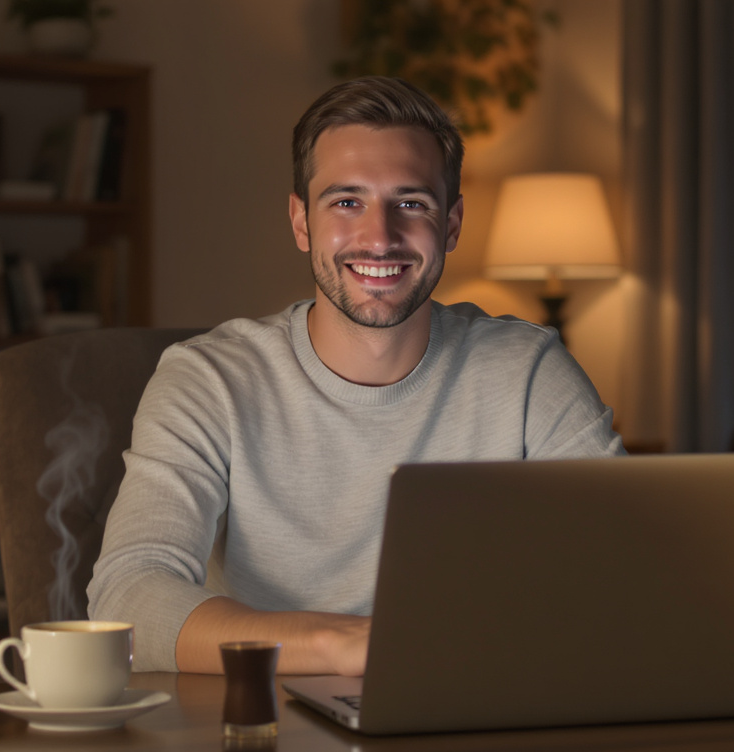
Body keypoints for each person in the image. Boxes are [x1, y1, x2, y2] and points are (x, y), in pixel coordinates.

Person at [87, 76, 624, 675]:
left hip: (473, 703)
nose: (380, 236)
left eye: (411, 203)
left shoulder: (527, 370)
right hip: (264, 720)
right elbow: (128, 598)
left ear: (450, 224)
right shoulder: (208, 379)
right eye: (347, 202)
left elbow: (630, 567)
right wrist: (343, 646)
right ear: (300, 221)